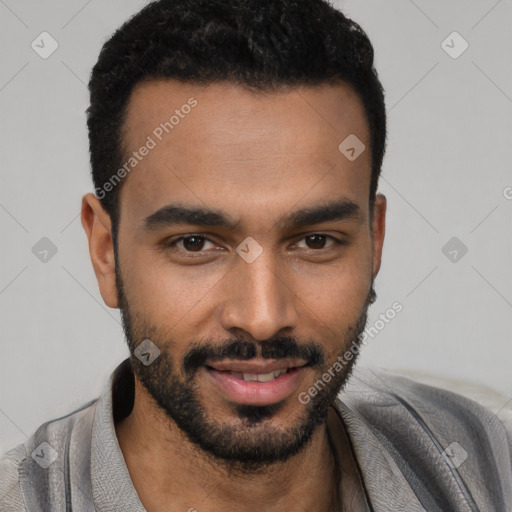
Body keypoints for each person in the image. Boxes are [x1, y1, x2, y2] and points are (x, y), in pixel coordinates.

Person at [1, 0, 511, 510]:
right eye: (195, 243)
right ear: (106, 252)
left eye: (315, 241)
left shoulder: (489, 462)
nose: (263, 318)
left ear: (374, 240)